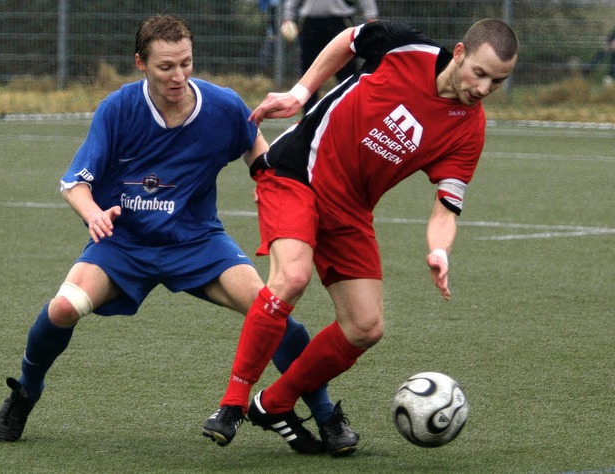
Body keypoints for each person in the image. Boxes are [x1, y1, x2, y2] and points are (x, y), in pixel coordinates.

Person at [0, 13, 356, 455]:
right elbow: (75, 184)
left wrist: (287, 209)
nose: (179, 76)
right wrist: (93, 214)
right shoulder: (118, 109)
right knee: (65, 307)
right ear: (141, 63)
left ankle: (325, 415)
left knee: (271, 310)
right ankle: (26, 391)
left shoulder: (222, 107)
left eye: (186, 63)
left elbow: (264, 165)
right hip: (124, 244)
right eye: (166, 66)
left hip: (197, 243)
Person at [204, 18, 519, 454]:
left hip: (351, 209)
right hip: (297, 172)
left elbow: (446, 208)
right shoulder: (408, 46)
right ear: (460, 52)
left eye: (497, 81)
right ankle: (233, 404)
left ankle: (274, 403)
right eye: (479, 73)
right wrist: (300, 92)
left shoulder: (470, 128)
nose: (483, 88)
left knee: (365, 327)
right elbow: (346, 40)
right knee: (292, 278)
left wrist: (439, 251)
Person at [280, 0, 378, 113]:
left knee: (347, 73)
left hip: (340, 22)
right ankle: (308, 116)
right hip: (311, 24)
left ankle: (352, 112)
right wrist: (288, 18)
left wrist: (371, 17)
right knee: (308, 71)